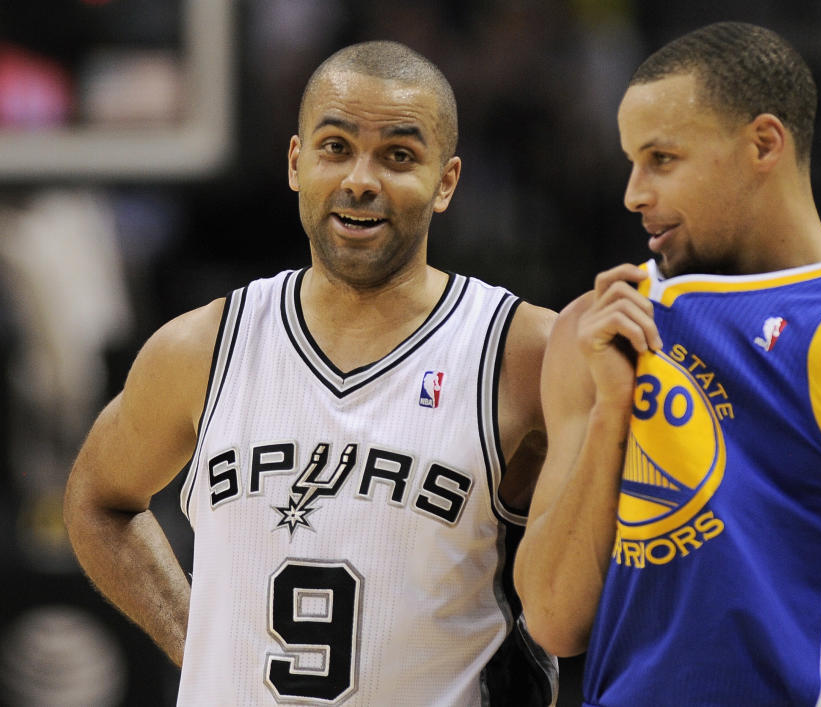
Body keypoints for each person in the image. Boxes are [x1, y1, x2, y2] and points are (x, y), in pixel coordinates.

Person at [63, 40, 559, 706]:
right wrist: (195, 635)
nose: (360, 178)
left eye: (399, 156)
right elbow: (97, 500)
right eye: (335, 147)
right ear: (296, 162)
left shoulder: (522, 351)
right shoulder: (201, 348)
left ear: (447, 181)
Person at [514, 21, 821, 706]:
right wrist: (611, 415)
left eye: (661, 159)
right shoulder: (597, 327)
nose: (633, 192)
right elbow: (551, 620)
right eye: (631, 161)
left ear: (763, 144)